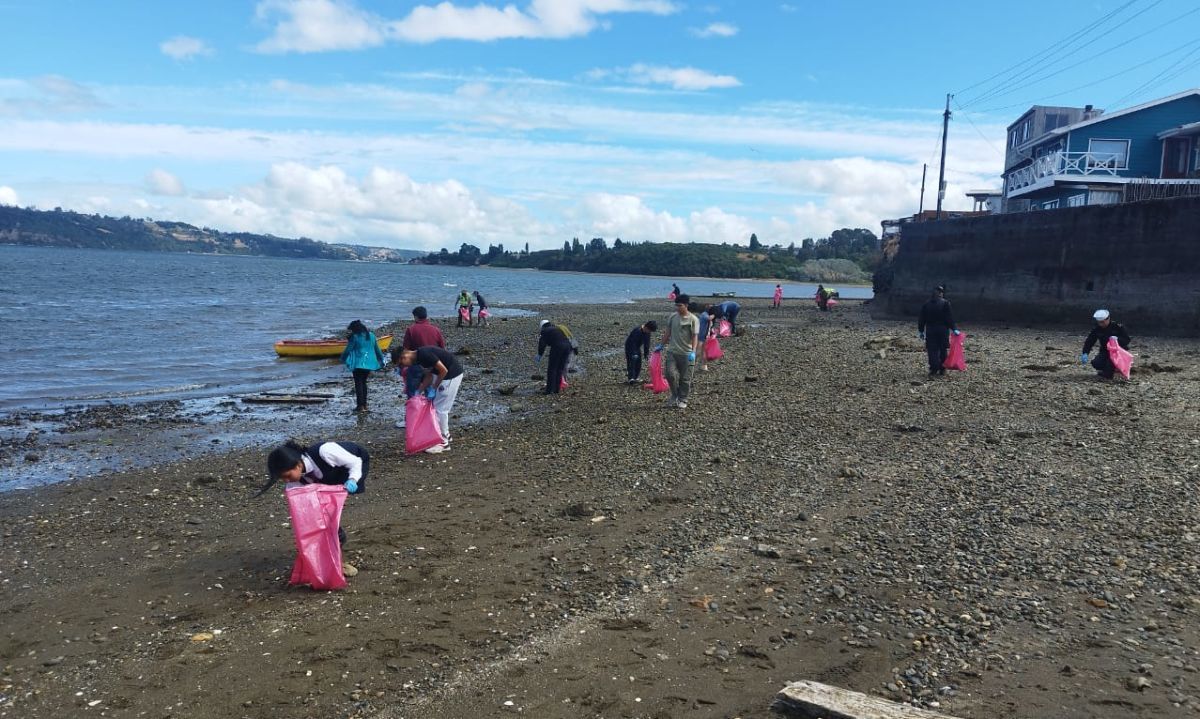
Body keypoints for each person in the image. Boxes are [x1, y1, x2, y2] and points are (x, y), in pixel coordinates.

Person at [263, 440, 368, 576]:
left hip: (349, 465)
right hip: (323, 478)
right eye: (283, 479)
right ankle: (332, 551)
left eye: (287, 476)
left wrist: (353, 479)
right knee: (321, 516)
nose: (287, 481)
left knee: (333, 509)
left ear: (298, 465)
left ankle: (336, 554)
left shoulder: (325, 451)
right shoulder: (294, 484)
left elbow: (355, 462)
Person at [395, 346, 464, 453]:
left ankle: (443, 443)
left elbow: (443, 370)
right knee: (436, 407)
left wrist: (434, 388)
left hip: (451, 374)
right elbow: (429, 375)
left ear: (404, 357)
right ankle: (446, 435)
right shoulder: (418, 358)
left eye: (402, 364)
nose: (404, 367)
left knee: (439, 409)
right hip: (443, 374)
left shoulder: (424, 354)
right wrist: (419, 391)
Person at [396, 306, 446, 404]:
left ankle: (414, 415)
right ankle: (428, 416)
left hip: (416, 365)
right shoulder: (435, 330)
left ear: (415, 317)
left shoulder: (411, 330)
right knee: (429, 395)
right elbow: (442, 349)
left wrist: (401, 367)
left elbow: (405, 351)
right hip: (432, 365)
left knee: (412, 394)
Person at [661, 294, 700, 409]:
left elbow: (694, 336)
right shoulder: (673, 317)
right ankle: (674, 394)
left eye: (680, 305)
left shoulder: (693, 319)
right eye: (676, 305)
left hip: (687, 353)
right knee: (669, 374)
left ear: (686, 305)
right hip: (672, 352)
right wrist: (661, 345)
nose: (677, 307)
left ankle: (683, 399)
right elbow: (668, 332)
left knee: (685, 378)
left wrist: (693, 351)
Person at [340, 320, 385, 413]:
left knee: (358, 384)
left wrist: (343, 359)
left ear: (355, 329)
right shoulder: (371, 336)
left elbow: (348, 350)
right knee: (363, 383)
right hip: (369, 364)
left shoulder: (355, 337)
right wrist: (381, 360)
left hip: (358, 364)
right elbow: (377, 350)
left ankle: (360, 406)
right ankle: (364, 405)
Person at [917, 285, 959, 377]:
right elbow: (949, 318)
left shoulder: (926, 304)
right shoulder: (945, 303)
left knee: (932, 350)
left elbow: (922, 319)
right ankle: (942, 368)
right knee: (943, 350)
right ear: (941, 293)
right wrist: (954, 328)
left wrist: (921, 330)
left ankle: (933, 368)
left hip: (931, 330)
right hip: (942, 330)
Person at [1082, 309, 1131, 380]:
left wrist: (1117, 339)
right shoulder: (1097, 328)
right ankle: (1109, 369)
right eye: (1099, 322)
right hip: (1105, 351)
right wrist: (1085, 353)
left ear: (1108, 319)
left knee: (1108, 372)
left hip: (1118, 352)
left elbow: (1127, 339)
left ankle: (1115, 369)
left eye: (1102, 322)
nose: (1101, 324)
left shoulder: (1117, 327)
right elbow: (1090, 341)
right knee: (1096, 363)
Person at [537, 319, 574, 395]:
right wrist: (575, 348)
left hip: (557, 347)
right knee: (560, 369)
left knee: (552, 369)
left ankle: (549, 390)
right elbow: (570, 337)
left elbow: (542, 344)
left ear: (542, 327)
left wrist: (539, 354)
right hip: (567, 347)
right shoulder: (558, 328)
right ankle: (557, 389)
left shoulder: (545, 331)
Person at [698, 306, 718, 372]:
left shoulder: (705, 315)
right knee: (698, 351)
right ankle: (691, 365)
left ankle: (704, 366)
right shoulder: (705, 315)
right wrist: (714, 315)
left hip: (704, 336)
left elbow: (710, 326)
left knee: (702, 352)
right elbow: (708, 319)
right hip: (701, 336)